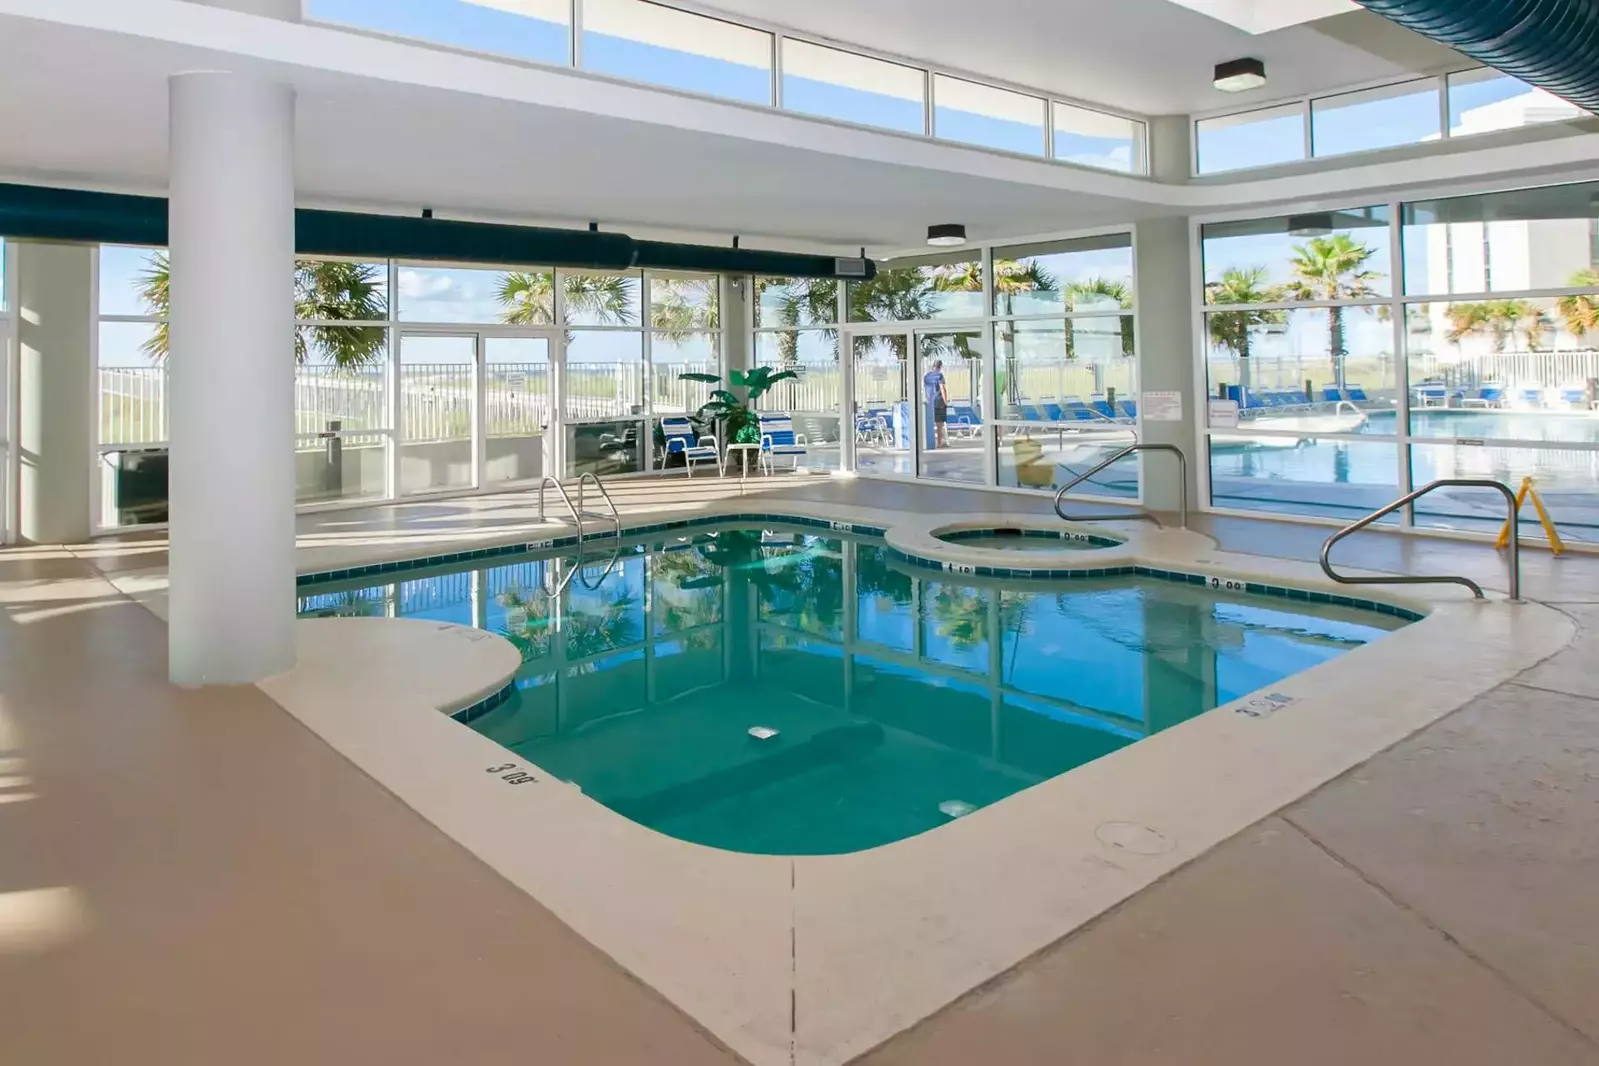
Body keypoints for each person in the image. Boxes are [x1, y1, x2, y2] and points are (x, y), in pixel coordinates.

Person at [923, 359, 949, 448]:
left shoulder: (926, 376)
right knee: (939, 424)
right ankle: (939, 443)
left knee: (930, 422)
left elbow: (925, 389)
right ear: (940, 367)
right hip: (939, 401)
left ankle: (928, 442)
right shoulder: (939, 376)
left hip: (929, 401)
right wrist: (945, 401)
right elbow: (942, 388)